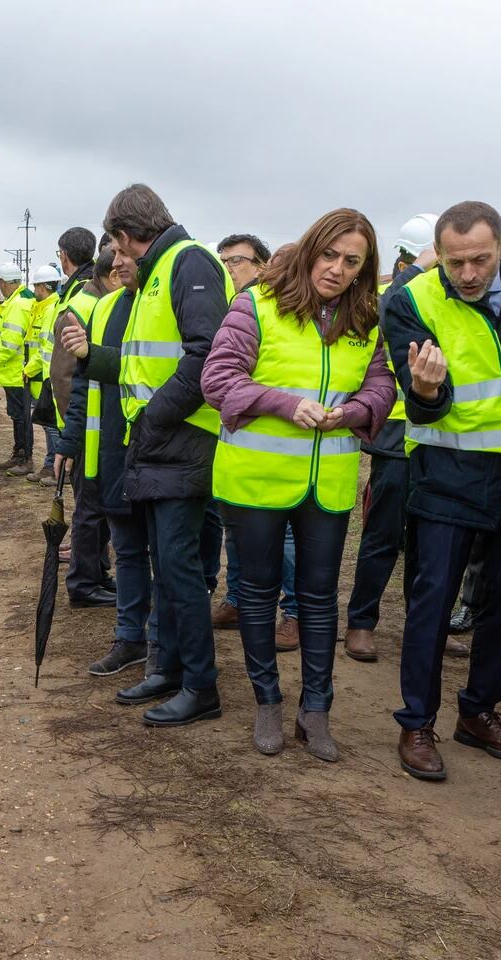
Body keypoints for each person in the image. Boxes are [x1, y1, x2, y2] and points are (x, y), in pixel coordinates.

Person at [204, 208, 396, 760]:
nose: (337, 269)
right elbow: (218, 380)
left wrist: (356, 409)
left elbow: (382, 387)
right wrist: (288, 405)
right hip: (255, 481)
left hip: (327, 485)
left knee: (317, 599)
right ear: (311, 250)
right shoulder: (257, 305)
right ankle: (267, 701)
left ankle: (316, 709)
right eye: (329, 255)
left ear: (365, 269)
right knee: (259, 595)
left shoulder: (366, 321)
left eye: (352, 262)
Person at [385, 201, 501, 781]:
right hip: (446, 476)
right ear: (440, 256)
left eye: (480, 259)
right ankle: (416, 722)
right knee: (432, 603)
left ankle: (480, 712)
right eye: (455, 264)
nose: (469, 274)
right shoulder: (410, 300)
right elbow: (422, 395)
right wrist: (426, 392)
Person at [99, 184, 230, 726]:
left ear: (128, 236)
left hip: (181, 439)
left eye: (119, 245)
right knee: (166, 563)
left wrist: (154, 416)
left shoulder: (188, 262)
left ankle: (202, 686)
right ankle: (168, 669)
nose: (118, 257)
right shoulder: (159, 272)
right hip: (158, 444)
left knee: (179, 567)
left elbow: (207, 354)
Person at [344, 213, 436, 661]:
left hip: (437, 434)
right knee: (383, 534)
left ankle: (429, 621)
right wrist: (422, 268)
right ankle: (361, 621)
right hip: (397, 436)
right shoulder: (388, 295)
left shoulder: (444, 300)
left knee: (430, 541)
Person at [205, 233, 300, 652]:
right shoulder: (235, 307)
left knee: (288, 538)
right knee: (234, 528)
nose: (226, 268)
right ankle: (238, 600)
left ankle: (293, 613)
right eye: (222, 261)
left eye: (235, 261)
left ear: (262, 265)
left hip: (288, 445)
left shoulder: (288, 310)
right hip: (241, 445)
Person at [60, 248, 151, 670]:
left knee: (152, 550)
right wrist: (68, 441)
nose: (119, 267)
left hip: (145, 449)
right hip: (105, 447)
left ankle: (158, 642)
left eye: (126, 255)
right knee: (114, 536)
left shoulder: (158, 306)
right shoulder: (98, 309)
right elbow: (77, 382)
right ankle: (122, 627)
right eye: (113, 259)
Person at [50, 228, 116, 607]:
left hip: (95, 426)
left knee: (99, 510)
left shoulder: (98, 301)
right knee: (90, 511)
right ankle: (85, 581)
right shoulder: (85, 305)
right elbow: (64, 374)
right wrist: (71, 434)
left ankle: (97, 573)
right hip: (86, 428)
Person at [0, 264, 37, 474]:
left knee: (21, 416)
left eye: (0, 283)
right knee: (17, 415)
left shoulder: (18, 304)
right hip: (15, 370)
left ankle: (25, 458)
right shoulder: (20, 300)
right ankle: (19, 454)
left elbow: (11, 341)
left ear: (4, 283)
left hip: (16, 370)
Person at [24, 264, 65, 484]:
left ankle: (56, 470)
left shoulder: (50, 309)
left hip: (47, 376)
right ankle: (50, 465)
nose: (34, 291)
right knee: (50, 424)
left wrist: (28, 369)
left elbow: (44, 348)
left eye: (36, 286)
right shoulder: (45, 307)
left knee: (52, 426)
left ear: (43, 286)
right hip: (45, 375)